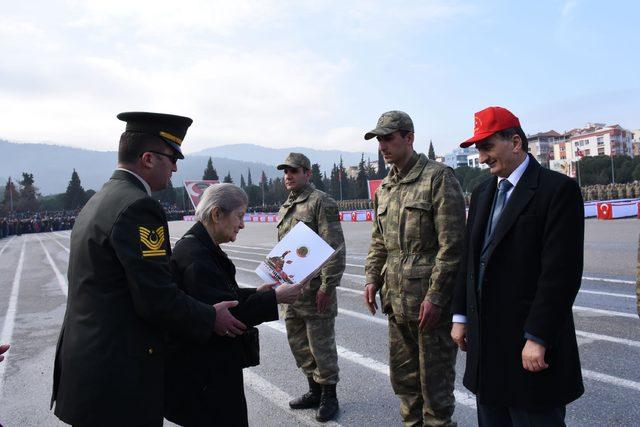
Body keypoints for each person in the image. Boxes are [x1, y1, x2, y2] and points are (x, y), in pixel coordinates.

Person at [51, 112, 246, 426]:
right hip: (118, 376)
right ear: (148, 159)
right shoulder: (139, 207)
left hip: (89, 367)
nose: (176, 167)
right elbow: (156, 298)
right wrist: (211, 317)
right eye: (172, 158)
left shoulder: (100, 198)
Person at [451, 106, 584, 426]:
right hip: (488, 349)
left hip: (529, 346)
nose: (482, 158)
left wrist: (538, 336)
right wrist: (460, 315)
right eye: (479, 149)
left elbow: (560, 274)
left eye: (487, 147)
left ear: (515, 142)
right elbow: (469, 259)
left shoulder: (556, 191)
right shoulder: (483, 192)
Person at [164, 183, 302, 426]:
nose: (242, 224)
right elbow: (226, 316)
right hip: (206, 376)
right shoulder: (196, 257)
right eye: (239, 216)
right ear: (217, 214)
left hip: (207, 370)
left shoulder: (200, 247)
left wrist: (258, 292)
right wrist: (276, 297)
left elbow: (224, 295)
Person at [363, 111, 466, 427]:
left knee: (435, 395)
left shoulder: (438, 178)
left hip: (428, 307)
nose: (383, 145)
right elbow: (380, 241)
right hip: (397, 303)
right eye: (379, 139)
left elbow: (452, 247)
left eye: (388, 138)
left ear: (409, 137)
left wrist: (436, 297)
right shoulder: (385, 188)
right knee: (406, 387)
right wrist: (370, 278)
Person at [277, 152, 346, 422]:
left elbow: (334, 246)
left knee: (321, 346)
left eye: (294, 171)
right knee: (299, 344)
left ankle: (330, 396)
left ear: (308, 173)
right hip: (292, 291)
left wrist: (327, 287)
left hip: (316, 290)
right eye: (285, 172)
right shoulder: (286, 207)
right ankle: (313, 391)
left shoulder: (320, 202)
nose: (288, 176)